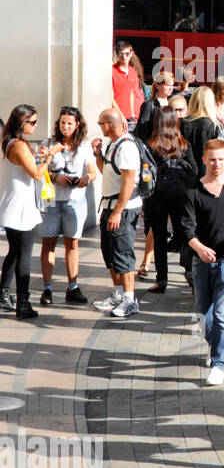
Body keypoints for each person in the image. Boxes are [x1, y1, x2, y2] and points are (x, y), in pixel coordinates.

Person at [179, 140, 224, 386]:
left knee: (223, 312)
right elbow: (186, 228)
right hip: (202, 261)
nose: (217, 164)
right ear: (204, 160)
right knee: (203, 311)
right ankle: (213, 344)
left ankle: (218, 364)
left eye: (221, 159)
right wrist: (200, 248)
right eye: (212, 159)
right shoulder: (193, 191)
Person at [37, 106, 97, 306]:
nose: (65, 126)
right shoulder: (49, 143)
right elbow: (39, 170)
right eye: (63, 122)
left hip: (75, 201)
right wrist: (56, 176)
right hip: (52, 201)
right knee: (48, 244)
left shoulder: (84, 145)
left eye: (70, 123)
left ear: (77, 124)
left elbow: (92, 172)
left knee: (73, 244)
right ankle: (47, 288)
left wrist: (84, 180)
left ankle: (73, 287)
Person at [0, 105, 51, 319]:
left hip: (14, 206)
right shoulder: (18, 145)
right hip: (20, 209)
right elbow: (37, 174)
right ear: (21, 122)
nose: (35, 126)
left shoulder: (9, 142)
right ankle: (23, 303)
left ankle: (4, 294)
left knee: (14, 251)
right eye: (32, 122)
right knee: (23, 255)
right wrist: (50, 158)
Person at [92, 109, 143, 318]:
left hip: (123, 208)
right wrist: (97, 154)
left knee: (123, 253)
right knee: (110, 253)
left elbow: (129, 182)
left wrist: (118, 212)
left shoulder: (127, 147)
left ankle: (130, 300)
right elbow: (107, 171)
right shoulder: (113, 144)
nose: (99, 127)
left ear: (108, 125)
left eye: (100, 123)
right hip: (109, 206)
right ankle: (119, 294)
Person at [143, 108, 198, 294]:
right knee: (184, 235)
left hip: (157, 197)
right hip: (180, 197)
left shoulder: (150, 145)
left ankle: (161, 280)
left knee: (159, 237)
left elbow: (146, 173)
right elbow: (195, 171)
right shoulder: (183, 145)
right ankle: (189, 270)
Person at [181, 86, 223, 159]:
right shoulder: (214, 125)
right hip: (207, 167)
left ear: (193, 100)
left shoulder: (182, 122)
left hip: (185, 167)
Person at [135, 71, 175, 144]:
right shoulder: (149, 104)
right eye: (167, 85)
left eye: (172, 85)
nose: (171, 88)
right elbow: (142, 131)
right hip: (153, 145)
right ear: (157, 85)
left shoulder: (173, 103)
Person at [111, 41, 144, 125]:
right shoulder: (112, 71)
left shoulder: (132, 70)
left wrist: (133, 113)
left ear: (131, 53)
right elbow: (111, 97)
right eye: (121, 54)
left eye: (127, 54)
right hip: (117, 115)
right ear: (117, 54)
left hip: (130, 117)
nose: (124, 57)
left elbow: (131, 93)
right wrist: (120, 115)